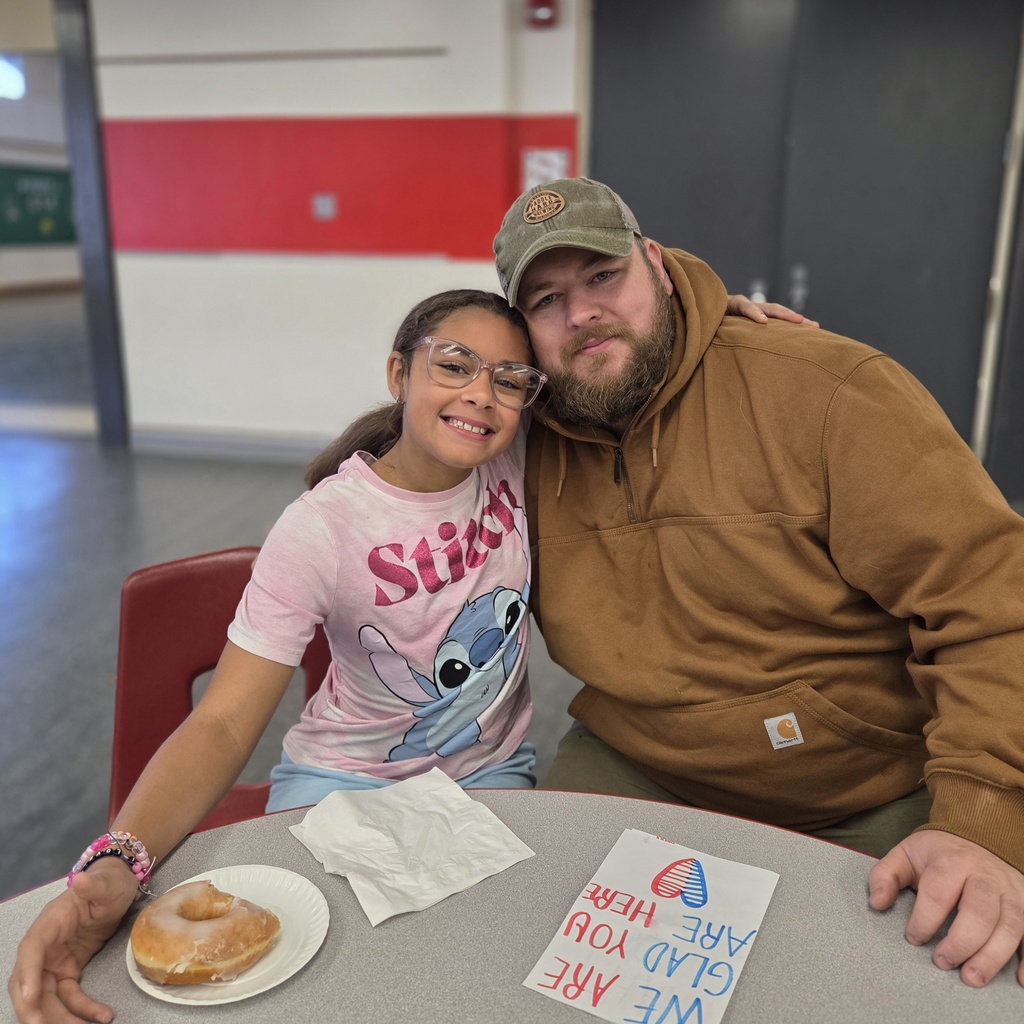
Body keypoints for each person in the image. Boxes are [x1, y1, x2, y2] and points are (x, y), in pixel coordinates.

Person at [7, 283, 795, 1024]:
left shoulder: (519, 461)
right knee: (329, 978)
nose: (480, 395)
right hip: (345, 780)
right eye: (453, 365)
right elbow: (220, 724)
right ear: (400, 371)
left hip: (487, 776)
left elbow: (618, 363)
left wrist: (707, 315)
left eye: (510, 381)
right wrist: (118, 857)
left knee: (480, 968)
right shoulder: (323, 527)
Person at [492, 177, 1024, 989]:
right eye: (547, 299)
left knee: (912, 986)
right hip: (640, 760)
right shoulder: (515, 442)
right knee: (516, 948)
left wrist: (985, 823)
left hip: (862, 782)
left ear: (660, 269)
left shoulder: (828, 390)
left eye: (605, 277)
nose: (582, 313)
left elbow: (993, 604)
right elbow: (403, 460)